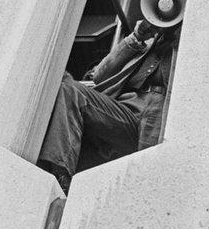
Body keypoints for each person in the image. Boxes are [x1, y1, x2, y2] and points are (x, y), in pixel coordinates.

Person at [37, 19, 175, 194]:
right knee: (64, 82)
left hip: (146, 122)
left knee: (70, 89)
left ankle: (60, 176)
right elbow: (99, 76)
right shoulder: (145, 44)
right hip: (118, 111)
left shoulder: (183, 47)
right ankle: (53, 174)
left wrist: (177, 37)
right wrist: (135, 38)